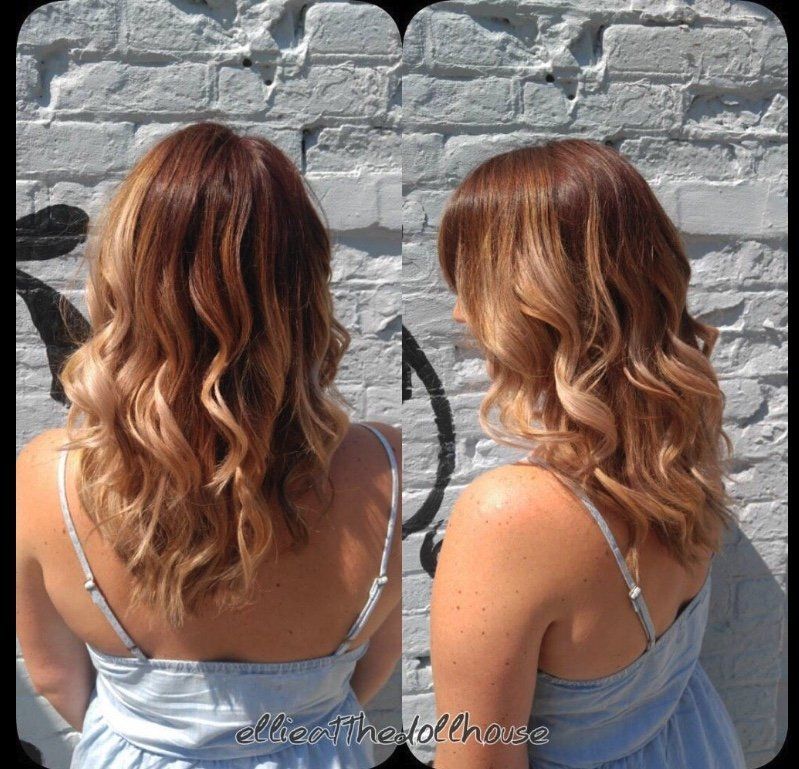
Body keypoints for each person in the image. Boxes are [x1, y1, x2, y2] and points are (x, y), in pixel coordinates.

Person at [16, 122, 401, 769]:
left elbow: (55, 677)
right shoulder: (386, 469)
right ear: (304, 284)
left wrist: (156, 733)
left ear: (124, 277)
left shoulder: (45, 476)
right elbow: (377, 659)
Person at [429, 140, 746, 769]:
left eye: (474, 285)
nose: (461, 313)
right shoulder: (682, 440)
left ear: (538, 303)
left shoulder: (507, 516)